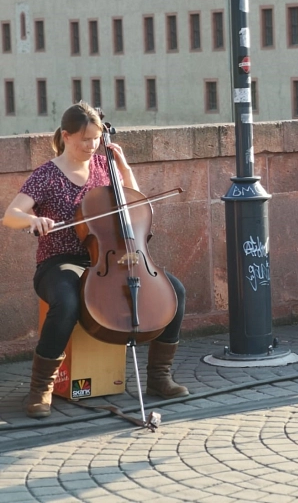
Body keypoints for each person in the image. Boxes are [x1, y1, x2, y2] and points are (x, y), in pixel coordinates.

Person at [2, 102, 189, 418]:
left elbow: (134, 206)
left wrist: (125, 170)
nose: (92, 146)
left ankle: (159, 377)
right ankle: (40, 389)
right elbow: (10, 215)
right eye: (85, 139)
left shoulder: (105, 166)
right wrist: (33, 221)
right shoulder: (47, 174)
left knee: (176, 291)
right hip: (59, 260)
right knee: (66, 301)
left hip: (105, 258)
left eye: (96, 138)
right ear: (66, 136)